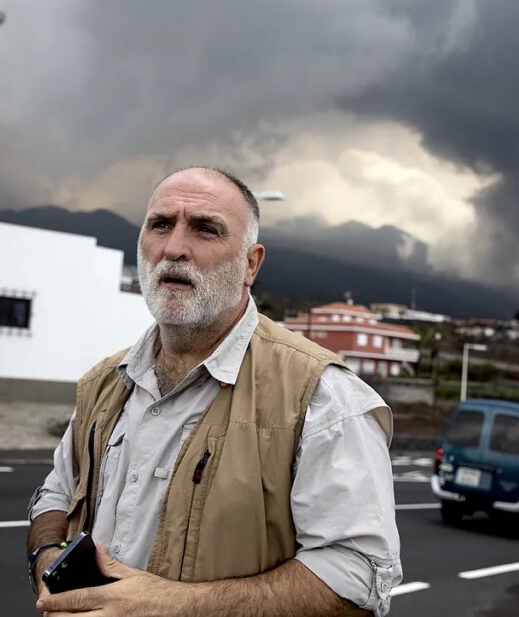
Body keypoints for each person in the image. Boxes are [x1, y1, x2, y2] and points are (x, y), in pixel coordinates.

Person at [27, 167, 401, 616]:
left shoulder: (321, 396)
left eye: (206, 229)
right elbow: (55, 496)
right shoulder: (104, 383)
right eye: (160, 224)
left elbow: (359, 577)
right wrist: (49, 562)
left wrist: (175, 606)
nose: (174, 249)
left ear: (250, 264)